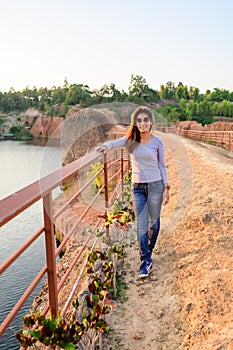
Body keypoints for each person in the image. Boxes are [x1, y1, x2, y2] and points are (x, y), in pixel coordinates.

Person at [96, 106, 170, 278]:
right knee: (142, 224)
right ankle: (145, 260)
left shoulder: (157, 142)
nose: (142, 123)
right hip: (137, 187)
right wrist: (105, 146)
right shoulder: (131, 140)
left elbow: (163, 166)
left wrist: (166, 188)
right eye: (139, 120)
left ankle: (148, 253)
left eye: (146, 119)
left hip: (155, 186)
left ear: (151, 121)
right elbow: (115, 143)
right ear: (135, 123)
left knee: (155, 224)